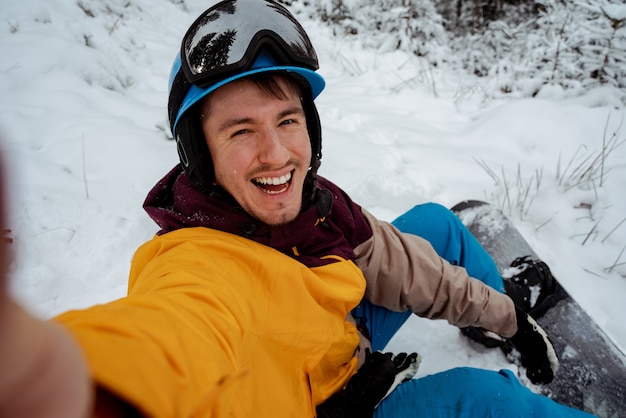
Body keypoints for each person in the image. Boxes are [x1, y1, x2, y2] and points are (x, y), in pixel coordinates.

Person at [0, 0, 596, 416]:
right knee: (486, 401)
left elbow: (398, 260)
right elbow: (169, 340)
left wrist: (507, 320)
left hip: (338, 332)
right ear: (201, 158)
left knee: (435, 225)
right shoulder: (199, 264)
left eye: (288, 120)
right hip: (328, 401)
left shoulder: (317, 207)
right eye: (239, 131)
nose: (277, 153)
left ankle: (504, 321)